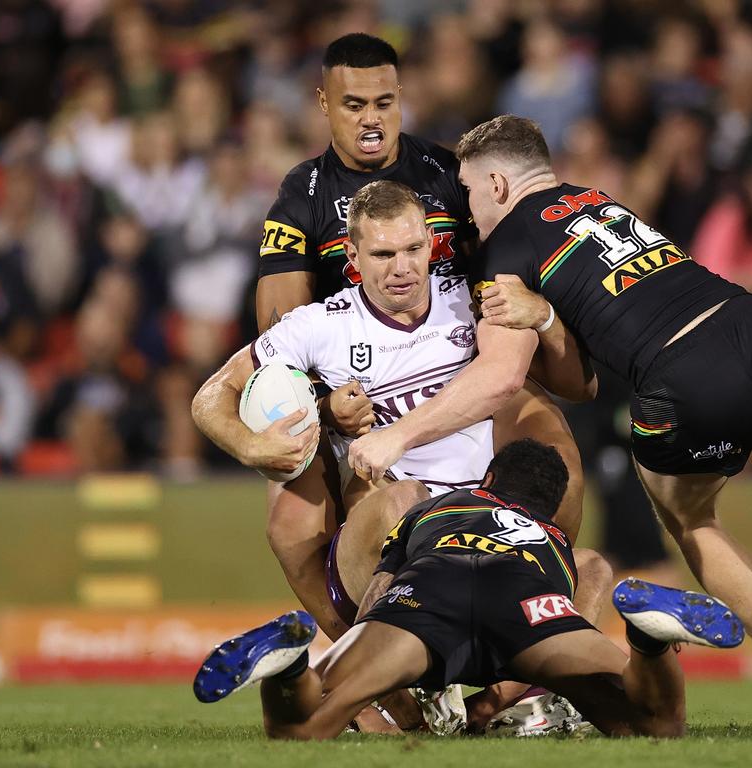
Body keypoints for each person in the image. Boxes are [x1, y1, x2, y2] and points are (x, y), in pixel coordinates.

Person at [347, 115, 752, 724]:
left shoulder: (507, 244)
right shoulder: (598, 202)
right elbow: (583, 380)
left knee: (693, 522)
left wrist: (396, 434)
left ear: (499, 187)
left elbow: (502, 378)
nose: (468, 212)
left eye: (471, 193)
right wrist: (543, 319)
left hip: (683, 373)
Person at [192, 180, 610, 732]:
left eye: (414, 249)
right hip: (390, 549)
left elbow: (577, 378)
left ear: (431, 244)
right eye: (384, 254)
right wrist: (256, 445)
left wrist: (543, 314)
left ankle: (497, 708)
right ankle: (373, 685)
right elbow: (209, 397)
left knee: (595, 572)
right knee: (401, 500)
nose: (402, 268)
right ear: (353, 257)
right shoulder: (321, 327)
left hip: (482, 530)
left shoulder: (474, 297)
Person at [249, 33, 590, 655]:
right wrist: (325, 409)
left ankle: (538, 636)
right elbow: (278, 328)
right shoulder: (301, 198)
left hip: (466, 362)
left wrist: (540, 319)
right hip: (359, 394)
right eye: (354, 104)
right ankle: (376, 675)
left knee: (555, 457)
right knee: (291, 525)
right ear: (323, 102)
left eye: (384, 101)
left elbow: (515, 255)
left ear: (402, 96)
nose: (372, 118)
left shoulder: (449, 176)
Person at [193, 439, 746, 740]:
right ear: (548, 508)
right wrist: (498, 696)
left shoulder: (439, 508)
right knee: (652, 720)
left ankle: (291, 667)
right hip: (527, 599)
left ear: (487, 484)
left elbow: (385, 585)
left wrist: (370, 675)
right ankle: (648, 643)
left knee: (305, 723)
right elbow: (586, 589)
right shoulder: (555, 540)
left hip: (430, 589)